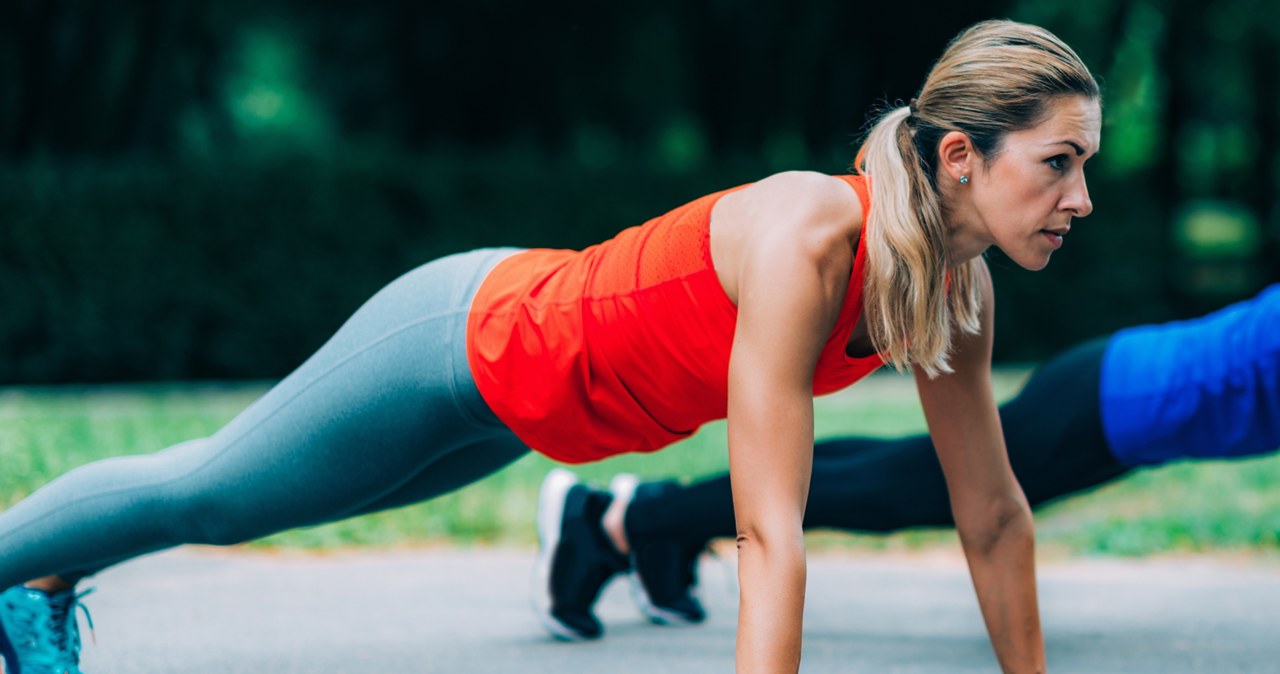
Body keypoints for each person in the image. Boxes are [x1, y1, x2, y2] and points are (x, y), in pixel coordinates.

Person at [0, 19, 1099, 674]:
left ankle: (37, 582)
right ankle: (26, 569)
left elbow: (992, 513)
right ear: (960, 155)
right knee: (214, 494)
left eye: (1084, 163)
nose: (1079, 196)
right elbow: (768, 528)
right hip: (458, 339)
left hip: (521, 418)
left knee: (259, 505)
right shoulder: (810, 235)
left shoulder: (952, 293)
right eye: (1055, 162)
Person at [541, 282, 1280, 631]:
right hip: (1107, 404)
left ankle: (653, 518)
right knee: (898, 489)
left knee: (897, 471)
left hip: (1121, 404)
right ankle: (617, 521)